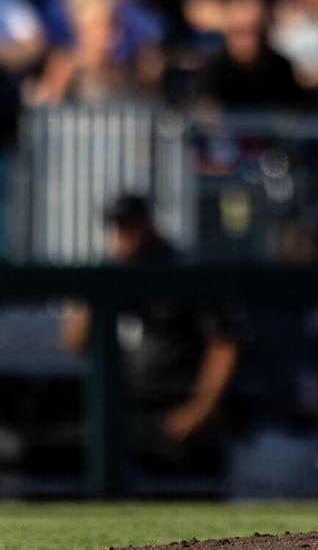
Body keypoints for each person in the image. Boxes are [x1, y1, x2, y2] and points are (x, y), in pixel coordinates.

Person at [60, 195, 239, 474]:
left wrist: (200, 407)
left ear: (148, 225)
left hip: (176, 416)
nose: (125, 235)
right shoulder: (111, 272)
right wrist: (95, 292)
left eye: (131, 226)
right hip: (126, 414)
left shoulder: (182, 271)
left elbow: (224, 343)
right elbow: (75, 344)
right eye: (118, 227)